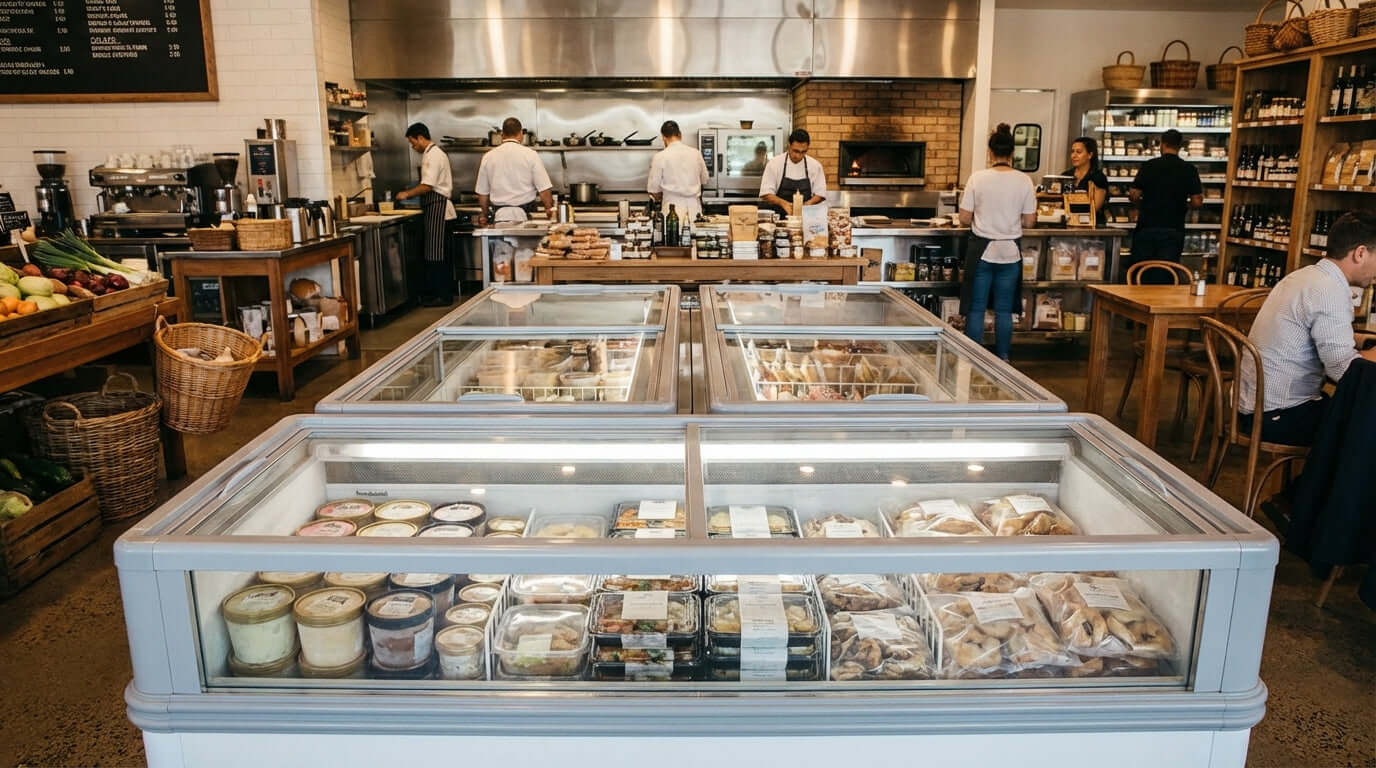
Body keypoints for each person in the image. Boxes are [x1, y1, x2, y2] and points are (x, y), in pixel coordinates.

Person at [1239, 210, 1376, 447]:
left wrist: (1360, 341)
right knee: (1366, 423)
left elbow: (1312, 331)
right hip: (1278, 416)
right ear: (1360, 253)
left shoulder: (1305, 276)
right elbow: (1343, 371)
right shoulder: (1330, 291)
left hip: (1254, 406)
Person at [958, 123, 1037, 362]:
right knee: (1004, 310)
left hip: (981, 250)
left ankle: (973, 358)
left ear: (990, 152)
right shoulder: (1024, 180)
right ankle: (1003, 357)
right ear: (1012, 153)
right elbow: (1030, 221)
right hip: (1010, 252)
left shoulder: (977, 178)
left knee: (976, 308)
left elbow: (964, 218)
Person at [395, 122, 457, 306]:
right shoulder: (432, 154)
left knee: (437, 254)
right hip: (436, 208)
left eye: (413, 142)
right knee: (436, 253)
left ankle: (443, 296)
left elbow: (427, 185)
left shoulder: (433, 155)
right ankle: (440, 293)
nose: (413, 147)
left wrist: (406, 194)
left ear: (420, 138)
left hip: (439, 208)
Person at [1128, 129, 1202, 283]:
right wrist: (1181, 205)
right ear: (1180, 146)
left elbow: (1134, 195)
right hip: (1173, 229)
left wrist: (1143, 204)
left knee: (1142, 273)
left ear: (1162, 144)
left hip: (1147, 227)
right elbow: (1197, 201)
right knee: (1166, 274)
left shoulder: (1149, 165)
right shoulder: (1189, 169)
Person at [475, 117, 555, 228]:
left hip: (499, 217)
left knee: (501, 239)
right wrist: (549, 210)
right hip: (524, 216)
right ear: (521, 134)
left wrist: (484, 214)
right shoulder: (531, 155)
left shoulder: (488, 157)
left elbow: (482, 192)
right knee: (525, 240)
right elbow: (544, 189)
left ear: (502, 135)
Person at [646, 120, 709, 221]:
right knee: (694, 231)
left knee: (672, 231)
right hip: (694, 211)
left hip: (671, 211)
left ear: (663, 137)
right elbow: (704, 180)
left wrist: (663, 196)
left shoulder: (660, 157)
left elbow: (653, 190)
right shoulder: (696, 154)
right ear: (680, 134)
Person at [759, 129, 827, 216]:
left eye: (803, 152)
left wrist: (806, 205)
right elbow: (766, 193)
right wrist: (784, 204)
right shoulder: (774, 164)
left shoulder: (815, 166)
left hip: (805, 217)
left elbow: (820, 194)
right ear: (789, 146)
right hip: (779, 218)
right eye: (796, 151)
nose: (798, 156)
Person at [1063, 136, 1108, 228]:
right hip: (1067, 224)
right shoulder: (1065, 176)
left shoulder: (1098, 178)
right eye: (1072, 151)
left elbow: (1094, 208)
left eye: (1078, 152)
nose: (1074, 156)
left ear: (1090, 155)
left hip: (1091, 227)